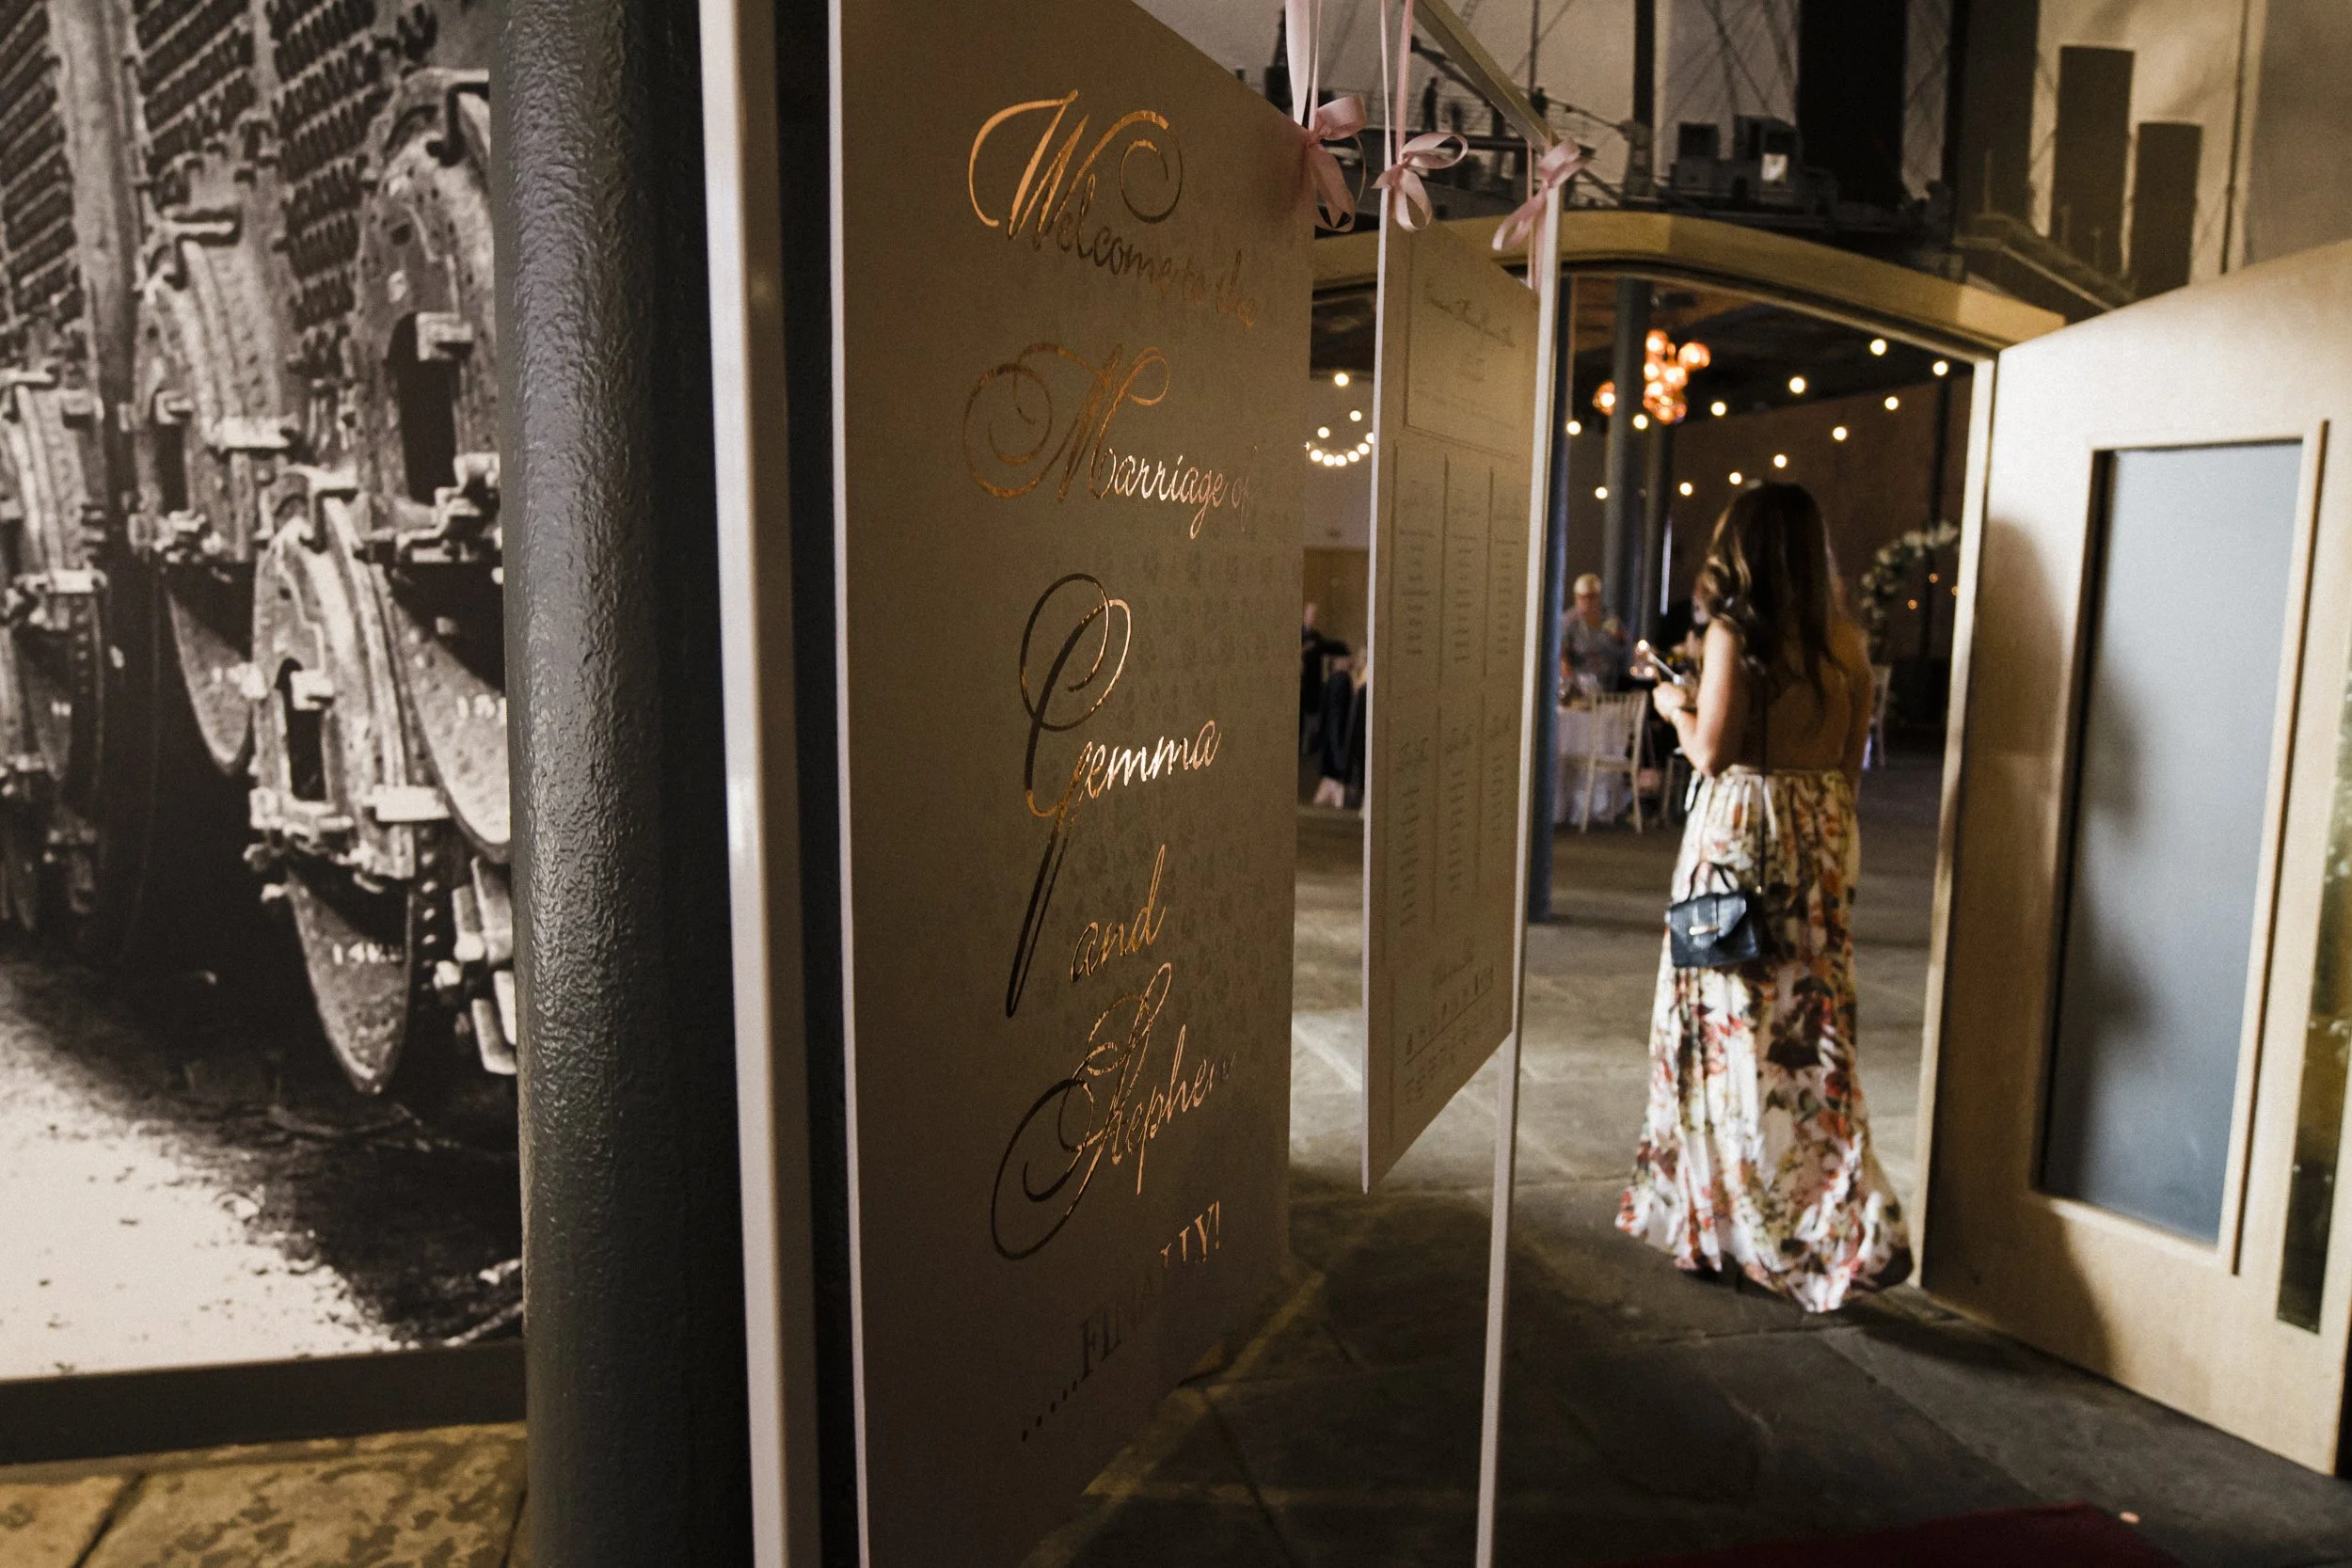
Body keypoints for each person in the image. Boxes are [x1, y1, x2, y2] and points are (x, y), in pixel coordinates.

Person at [1619, 483, 1911, 1312]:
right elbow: (1848, 767)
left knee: (1721, 1041)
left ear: (1741, 550)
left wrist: (1675, 702)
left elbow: (1712, 752)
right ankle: (1829, 1215)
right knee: (1808, 1041)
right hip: (1817, 842)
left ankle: (1729, 1230)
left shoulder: (1730, 636)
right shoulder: (1845, 642)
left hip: (1738, 843)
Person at [1563, 573, 1629, 691]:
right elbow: (1561, 654)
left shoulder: (1609, 620)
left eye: (1591, 597)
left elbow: (1621, 650)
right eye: (1583, 598)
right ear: (1576, 597)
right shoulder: (1568, 622)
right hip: (1579, 683)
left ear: (1598, 597)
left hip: (1607, 683)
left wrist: (1619, 639)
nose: (1587, 602)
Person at [1300, 601, 1349, 755]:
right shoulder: (1298, 633)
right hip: (1301, 682)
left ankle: (1307, 748)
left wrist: (1344, 649)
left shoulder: (1316, 636)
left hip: (1313, 682)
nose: (1313, 617)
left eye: (1315, 615)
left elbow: (1327, 646)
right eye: (1310, 614)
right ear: (1305, 615)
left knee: (1313, 717)